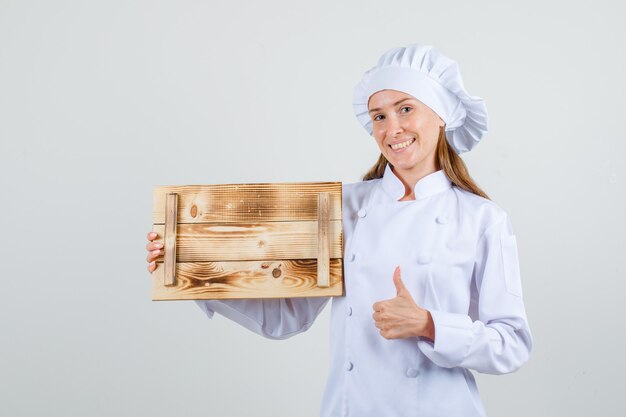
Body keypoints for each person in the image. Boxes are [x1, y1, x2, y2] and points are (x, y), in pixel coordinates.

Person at [145, 43, 532, 417]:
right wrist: (192, 270)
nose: (392, 128)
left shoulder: (482, 219)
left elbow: (512, 344)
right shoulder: (343, 206)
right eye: (379, 116)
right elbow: (287, 317)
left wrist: (430, 325)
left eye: (405, 109)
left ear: (441, 114)